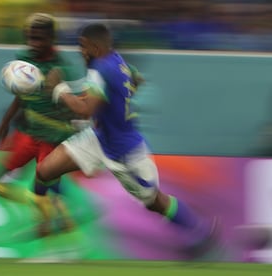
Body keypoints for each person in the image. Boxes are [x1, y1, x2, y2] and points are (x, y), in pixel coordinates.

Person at [36, 23, 218, 257]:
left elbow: (84, 110)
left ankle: (200, 231)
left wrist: (60, 89)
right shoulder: (117, 61)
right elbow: (137, 79)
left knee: (155, 202)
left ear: (95, 46)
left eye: (82, 46)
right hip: (98, 138)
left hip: (125, 153)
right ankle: (63, 224)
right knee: (46, 170)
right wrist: (114, 103)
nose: (80, 51)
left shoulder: (100, 69)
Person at [0, 13, 84, 237]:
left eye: (38, 39)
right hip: (27, 134)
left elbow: (75, 108)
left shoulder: (62, 69)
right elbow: (21, 94)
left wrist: (57, 94)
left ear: (51, 38)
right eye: (30, 38)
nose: (33, 43)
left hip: (52, 138)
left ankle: (57, 235)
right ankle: (45, 211)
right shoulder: (24, 59)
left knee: (45, 190)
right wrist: (6, 120)